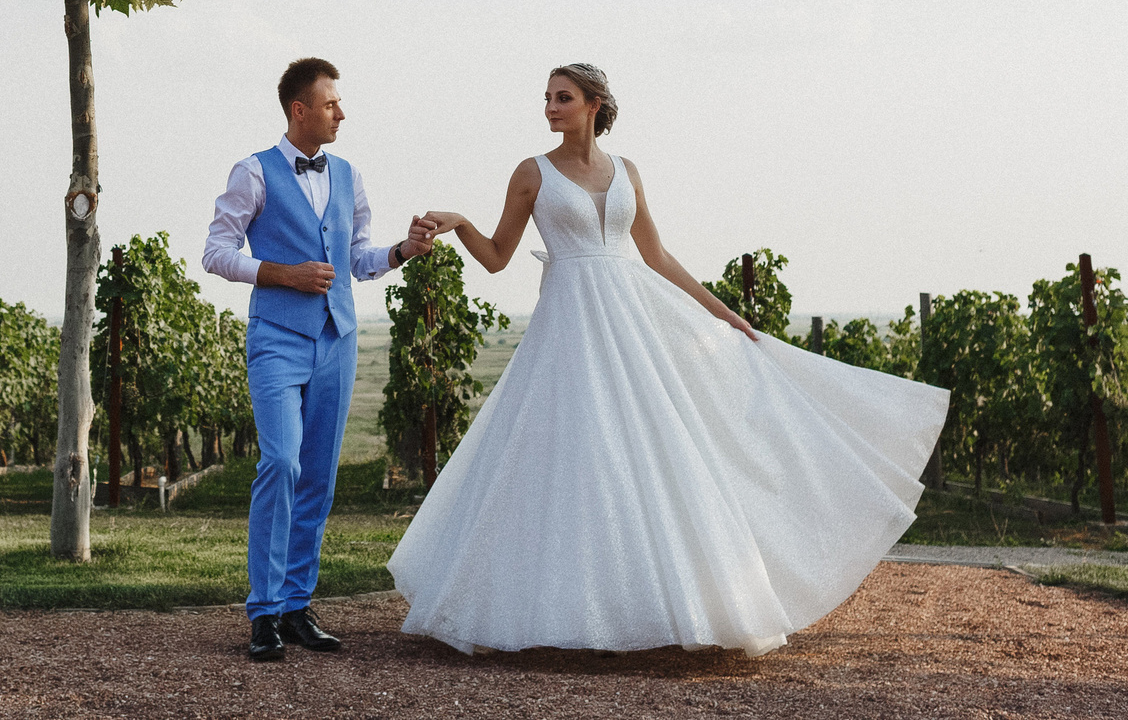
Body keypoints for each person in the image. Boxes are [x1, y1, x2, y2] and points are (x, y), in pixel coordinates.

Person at [390, 62, 948, 657]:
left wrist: (721, 312)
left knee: (653, 450)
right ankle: (557, 613)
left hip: (632, 320)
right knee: (572, 454)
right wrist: (462, 223)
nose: (551, 107)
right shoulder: (532, 173)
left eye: (564, 97)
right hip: (568, 326)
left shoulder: (627, 171)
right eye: (548, 98)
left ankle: (657, 608)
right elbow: (499, 258)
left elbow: (655, 254)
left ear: (595, 105)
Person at [204, 57, 438, 662]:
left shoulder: (349, 175)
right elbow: (216, 252)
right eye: (331, 104)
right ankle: (262, 613)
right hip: (277, 338)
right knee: (280, 463)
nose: (342, 113)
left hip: (337, 338)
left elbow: (357, 257)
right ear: (298, 110)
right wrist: (283, 273)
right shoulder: (252, 172)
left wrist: (402, 251)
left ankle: (296, 606)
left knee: (319, 477)